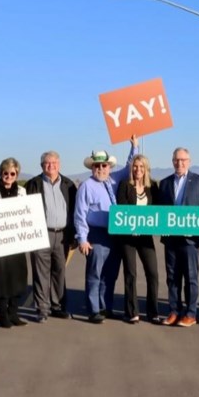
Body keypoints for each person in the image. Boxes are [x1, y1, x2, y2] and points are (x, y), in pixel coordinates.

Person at [74, 136, 138, 323]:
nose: (101, 169)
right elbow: (80, 215)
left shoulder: (113, 180)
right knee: (95, 273)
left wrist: (134, 146)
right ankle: (93, 309)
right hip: (97, 234)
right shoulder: (87, 186)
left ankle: (105, 306)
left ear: (109, 167)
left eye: (104, 166)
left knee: (110, 274)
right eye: (97, 166)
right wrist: (82, 239)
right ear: (92, 167)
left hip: (114, 234)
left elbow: (129, 167)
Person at [157, 147, 199, 327]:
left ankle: (191, 313)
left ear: (189, 161)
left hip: (190, 241)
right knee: (172, 277)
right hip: (171, 239)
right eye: (176, 160)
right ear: (172, 162)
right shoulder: (163, 184)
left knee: (191, 277)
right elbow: (159, 211)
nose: (179, 163)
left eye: (183, 160)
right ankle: (174, 311)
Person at [24, 150, 77, 323]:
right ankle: (42, 308)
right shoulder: (33, 184)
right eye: (47, 163)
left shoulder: (69, 185)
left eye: (54, 163)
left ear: (59, 165)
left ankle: (58, 306)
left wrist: (75, 235)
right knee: (41, 273)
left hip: (62, 235)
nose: (51, 166)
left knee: (59, 272)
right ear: (41, 166)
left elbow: (75, 211)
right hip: (41, 233)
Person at [0, 158, 29, 328]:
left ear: (17, 174)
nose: (8, 176)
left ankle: (13, 313)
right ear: (0, 173)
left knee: (18, 279)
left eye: (12, 173)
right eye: (5, 173)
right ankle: (2, 315)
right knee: (0, 280)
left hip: (17, 243)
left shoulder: (23, 192)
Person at [116, 154, 161, 324]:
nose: (138, 170)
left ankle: (153, 312)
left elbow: (158, 212)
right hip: (128, 237)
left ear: (146, 169)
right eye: (135, 166)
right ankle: (131, 311)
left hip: (145, 237)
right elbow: (122, 209)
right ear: (131, 168)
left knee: (153, 273)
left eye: (141, 167)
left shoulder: (152, 187)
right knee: (130, 274)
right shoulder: (124, 186)